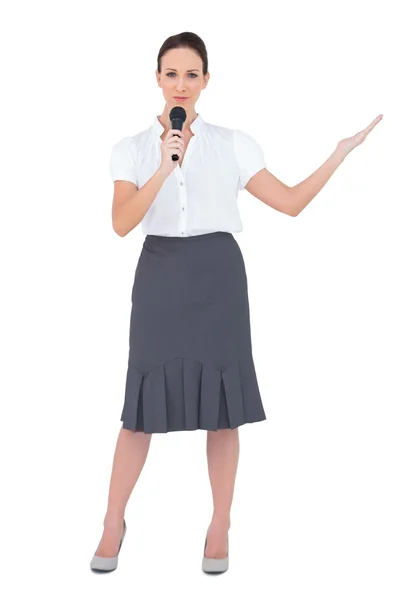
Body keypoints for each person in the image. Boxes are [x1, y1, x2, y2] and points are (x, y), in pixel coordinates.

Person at [90, 31, 383, 575]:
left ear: (205, 81)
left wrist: (339, 154)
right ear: (156, 78)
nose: (181, 85)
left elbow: (291, 203)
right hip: (159, 278)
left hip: (219, 279)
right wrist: (162, 166)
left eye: (191, 74)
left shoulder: (233, 144)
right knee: (139, 413)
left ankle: (220, 523)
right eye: (171, 74)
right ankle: (113, 521)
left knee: (222, 414)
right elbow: (122, 223)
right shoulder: (130, 148)